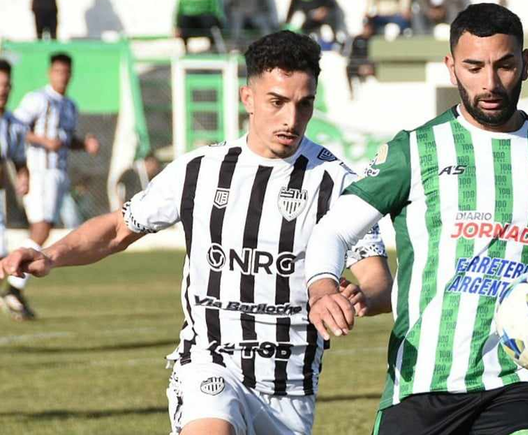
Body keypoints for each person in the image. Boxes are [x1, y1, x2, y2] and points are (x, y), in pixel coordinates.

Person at [0, 31, 391, 435]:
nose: (291, 119)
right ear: (248, 99)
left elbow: (377, 277)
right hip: (210, 364)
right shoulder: (202, 169)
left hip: (290, 387)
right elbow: (119, 227)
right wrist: (51, 254)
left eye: (304, 104)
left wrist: (357, 298)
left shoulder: (337, 182)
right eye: (277, 102)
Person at [305, 4, 528, 434]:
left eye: (504, 65)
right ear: (451, 68)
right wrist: (323, 286)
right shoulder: (416, 150)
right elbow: (334, 228)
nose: (490, 83)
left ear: (526, 64)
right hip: (420, 384)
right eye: (474, 67)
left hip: (519, 384)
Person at [2, 52, 99, 321]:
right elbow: (15, 127)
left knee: (44, 229)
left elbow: (65, 140)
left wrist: (83, 144)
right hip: (39, 170)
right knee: (41, 229)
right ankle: (13, 286)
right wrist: (43, 142)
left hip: (58, 172)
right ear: (50, 73)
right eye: (57, 71)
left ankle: (13, 285)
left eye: (66, 72)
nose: (62, 76)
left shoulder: (70, 105)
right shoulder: (37, 99)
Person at [0, 60, 30, 320]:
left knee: (1, 255)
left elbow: (19, 158)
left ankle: (9, 295)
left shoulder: (13, 124)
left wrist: (24, 175)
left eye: (6, 85)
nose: (2, 90)